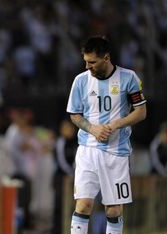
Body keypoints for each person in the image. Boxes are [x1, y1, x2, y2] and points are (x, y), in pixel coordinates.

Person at [66, 36, 147, 234]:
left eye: (92, 62)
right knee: (83, 205)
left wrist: (115, 124)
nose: (88, 66)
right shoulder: (80, 81)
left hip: (116, 152)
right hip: (87, 150)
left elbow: (141, 112)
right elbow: (74, 114)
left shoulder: (129, 78)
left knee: (113, 209)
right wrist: (93, 129)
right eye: (85, 61)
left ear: (106, 58)